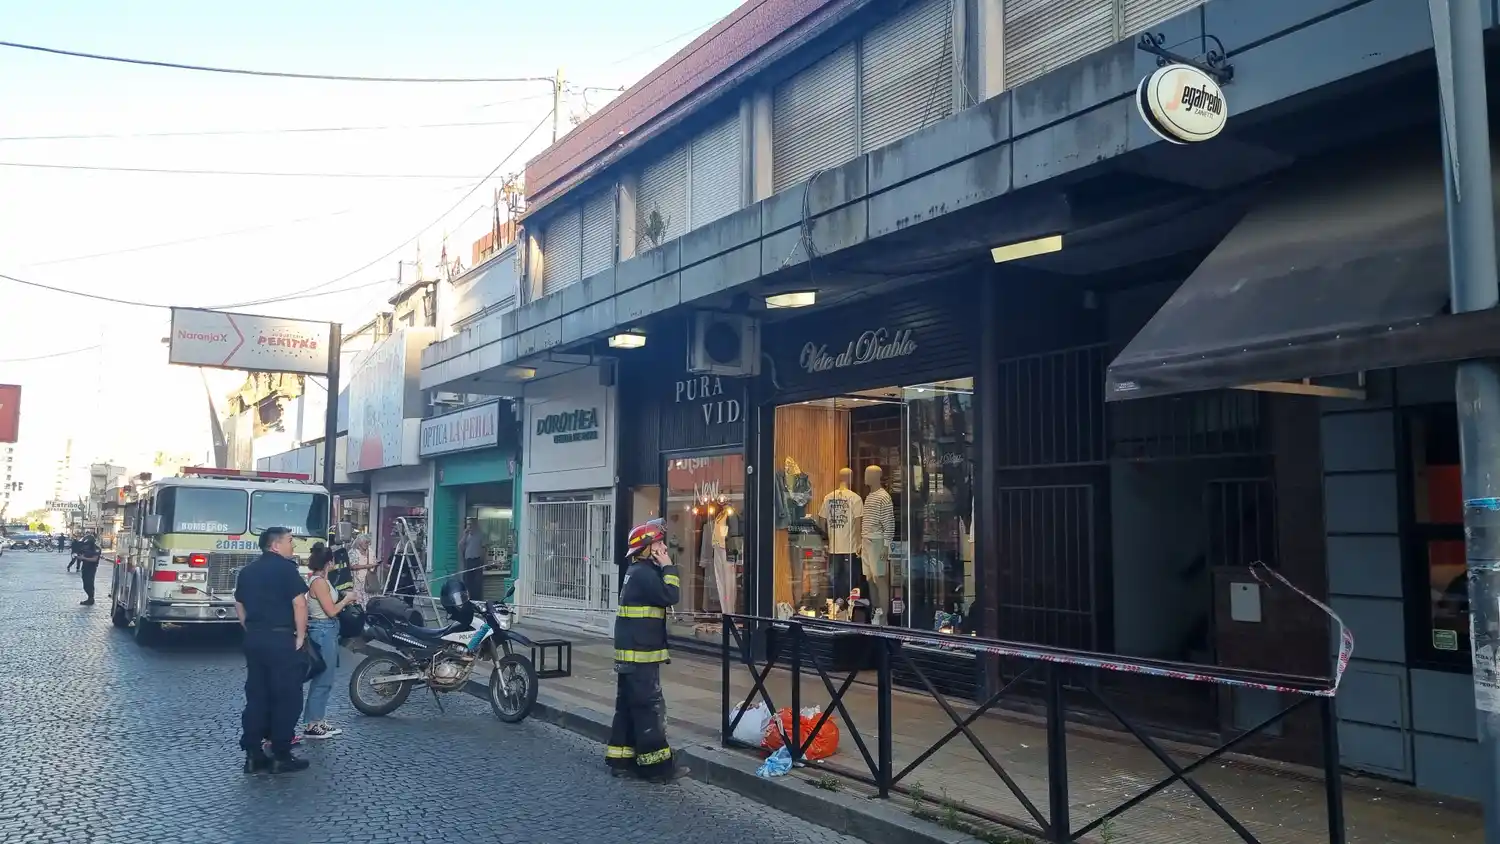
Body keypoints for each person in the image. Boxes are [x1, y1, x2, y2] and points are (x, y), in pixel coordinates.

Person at [606, 520, 686, 783]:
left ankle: (621, 760)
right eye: (660, 543)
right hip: (641, 655)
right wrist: (668, 566)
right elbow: (671, 595)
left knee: (628, 707)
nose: (664, 547)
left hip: (633, 653)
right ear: (648, 548)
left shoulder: (636, 571)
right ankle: (657, 768)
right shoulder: (646, 574)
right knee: (648, 709)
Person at [234, 526, 311, 775]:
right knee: (286, 696)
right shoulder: (287, 570)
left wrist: (250, 629)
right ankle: (281, 753)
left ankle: (253, 754)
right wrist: (300, 635)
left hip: (255, 639)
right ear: (275, 545)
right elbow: (299, 603)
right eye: (290, 541)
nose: (293, 545)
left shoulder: (247, 572)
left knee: (257, 696)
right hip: (281, 639)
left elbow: (239, 604)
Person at [301, 542, 357, 740]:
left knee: (326, 677)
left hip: (328, 629)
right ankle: (312, 724)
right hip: (323, 629)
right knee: (323, 679)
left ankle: (317, 719)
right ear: (328, 562)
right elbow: (331, 610)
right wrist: (347, 599)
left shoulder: (323, 580)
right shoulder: (319, 583)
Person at [459, 517, 486, 601]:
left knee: (477, 583)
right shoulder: (466, 536)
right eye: (468, 524)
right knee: (467, 581)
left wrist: (483, 562)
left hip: (477, 560)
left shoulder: (480, 535)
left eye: (471, 524)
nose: (469, 526)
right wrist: (464, 535)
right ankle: (468, 599)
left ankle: (477, 599)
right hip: (468, 561)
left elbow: (484, 548)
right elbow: (460, 546)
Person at [74, 533, 101, 606]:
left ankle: (91, 598)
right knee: (85, 584)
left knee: (89, 583)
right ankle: (89, 598)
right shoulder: (86, 548)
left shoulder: (96, 549)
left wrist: (83, 558)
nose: (86, 546)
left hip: (91, 568)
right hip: (85, 567)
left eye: (87, 544)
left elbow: (95, 559)